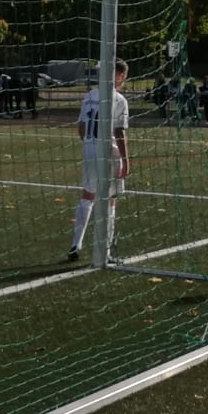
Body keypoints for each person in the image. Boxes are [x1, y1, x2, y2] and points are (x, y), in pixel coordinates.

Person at [69, 59, 130, 263]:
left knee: (88, 196)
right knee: (110, 199)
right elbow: (119, 132)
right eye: (124, 77)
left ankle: (75, 244)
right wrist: (126, 160)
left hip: (89, 149)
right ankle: (106, 251)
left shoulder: (89, 95)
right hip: (109, 153)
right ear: (119, 75)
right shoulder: (118, 99)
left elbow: (81, 128)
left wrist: (90, 144)